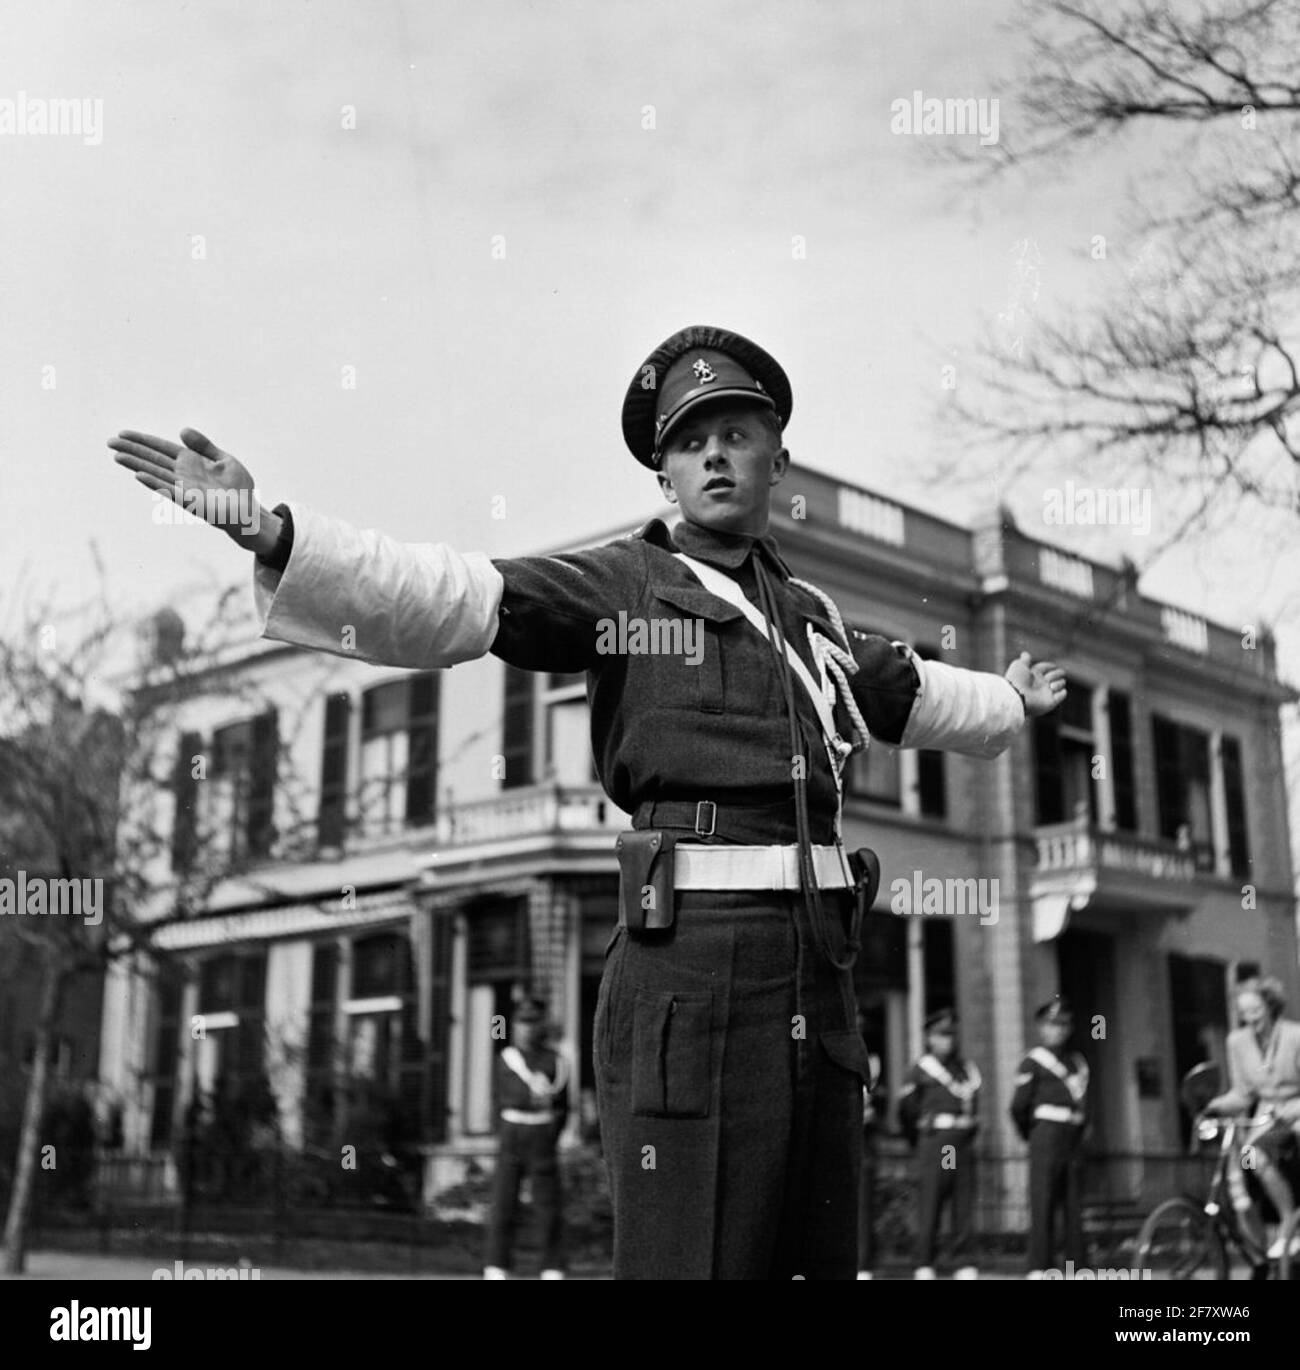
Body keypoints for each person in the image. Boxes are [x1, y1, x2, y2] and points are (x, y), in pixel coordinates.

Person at [109, 323, 1067, 1279]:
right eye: (690, 444)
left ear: (779, 455)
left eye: (736, 433)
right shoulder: (626, 586)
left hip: (821, 967)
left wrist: (1014, 702)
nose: (715, 457)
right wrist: (271, 530)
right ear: (665, 479)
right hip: (695, 960)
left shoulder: (812, 618)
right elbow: (458, 597)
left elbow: (917, 694)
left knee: (814, 1258)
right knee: (697, 1258)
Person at [1205, 977, 1300, 1261]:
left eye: (1256, 1011)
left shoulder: (1295, 1035)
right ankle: (1281, 1224)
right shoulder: (1237, 1041)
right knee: (1249, 1157)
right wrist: (1214, 1106)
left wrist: (1295, 1108)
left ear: (1270, 1006)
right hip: (1266, 1118)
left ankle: (1288, 1224)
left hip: (1296, 1111)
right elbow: (1242, 1094)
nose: (1250, 1018)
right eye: (1244, 1012)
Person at [484, 997, 570, 1280]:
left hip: (541, 1135)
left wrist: (548, 1133)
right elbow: (497, 1102)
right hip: (511, 1134)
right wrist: (504, 1132)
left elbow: (562, 1108)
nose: (526, 1028)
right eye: (522, 1022)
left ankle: (552, 1268)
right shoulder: (505, 1058)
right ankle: (497, 1267)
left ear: (542, 1024)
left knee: (547, 1207)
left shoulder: (555, 1061)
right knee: (503, 1204)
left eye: (533, 1022)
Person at [898, 1008, 981, 1280]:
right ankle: (925, 1261)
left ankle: (963, 1259)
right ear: (930, 1039)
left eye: (951, 1035)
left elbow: (974, 1107)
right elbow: (907, 1111)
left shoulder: (966, 1070)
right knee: (933, 1196)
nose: (948, 1041)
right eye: (941, 1035)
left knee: (962, 1200)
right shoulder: (921, 1069)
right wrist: (919, 1138)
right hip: (937, 1143)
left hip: (960, 1141)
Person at [1010, 996, 1090, 1277]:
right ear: (1042, 1028)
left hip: (1072, 1134)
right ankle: (1039, 1267)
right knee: (1043, 1200)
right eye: (1052, 1025)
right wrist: (1031, 1134)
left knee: (1073, 1203)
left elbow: (1084, 1104)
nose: (1057, 1030)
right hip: (1045, 1133)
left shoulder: (1077, 1062)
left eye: (1063, 1025)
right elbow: (1019, 1106)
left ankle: (1076, 1267)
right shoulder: (1033, 1062)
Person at [856, 1012, 883, 1281]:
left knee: (863, 1205)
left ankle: (863, 1265)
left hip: (863, 1137)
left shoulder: (873, 1062)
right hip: (835, 1136)